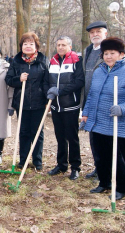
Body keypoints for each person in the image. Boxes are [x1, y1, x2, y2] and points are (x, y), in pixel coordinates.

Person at [82, 37, 125, 200]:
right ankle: (104, 183)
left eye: (112, 53)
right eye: (105, 53)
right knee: (100, 155)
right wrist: (86, 113)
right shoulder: (99, 71)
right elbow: (92, 95)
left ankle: (121, 187)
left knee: (119, 158)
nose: (108, 56)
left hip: (118, 123)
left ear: (121, 54)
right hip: (98, 122)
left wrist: (122, 108)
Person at [5, 32, 49, 170]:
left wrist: (46, 97)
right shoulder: (16, 61)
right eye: (25, 44)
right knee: (23, 131)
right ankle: (23, 160)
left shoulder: (43, 60)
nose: (28, 46)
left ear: (36, 46)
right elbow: (8, 79)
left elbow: (47, 81)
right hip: (22, 102)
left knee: (37, 132)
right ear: (21, 46)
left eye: (31, 44)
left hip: (38, 102)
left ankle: (37, 161)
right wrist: (19, 79)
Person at [47, 36, 84, 180]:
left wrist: (61, 91)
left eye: (63, 45)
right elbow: (48, 80)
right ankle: (61, 164)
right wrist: (49, 93)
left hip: (70, 106)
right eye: (58, 45)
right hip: (56, 106)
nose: (60, 47)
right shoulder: (53, 61)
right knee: (60, 137)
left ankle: (75, 167)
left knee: (72, 137)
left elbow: (79, 81)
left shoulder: (76, 60)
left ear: (70, 46)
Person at [82, 21, 108, 179]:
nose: (95, 34)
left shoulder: (108, 51)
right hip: (89, 100)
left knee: (104, 138)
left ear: (105, 33)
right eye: (92, 33)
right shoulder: (89, 50)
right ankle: (98, 168)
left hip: (103, 101)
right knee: (94, 138)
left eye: (98, 31)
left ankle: (106, 170)